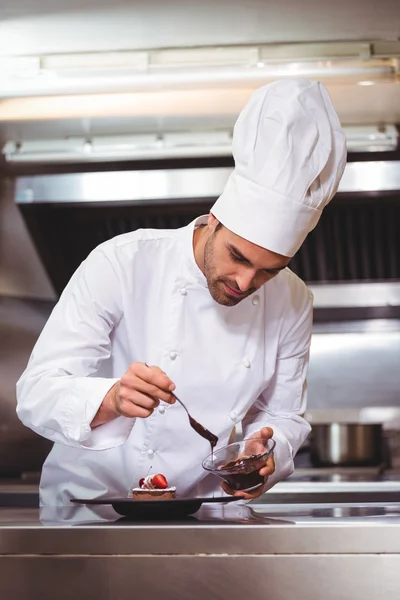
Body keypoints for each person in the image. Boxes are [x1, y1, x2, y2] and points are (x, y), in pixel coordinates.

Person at [16, 78, 347, 506]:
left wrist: (267, 452)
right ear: (213, 220)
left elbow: (283, 415)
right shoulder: (121, 262)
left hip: (202, 511)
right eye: (238, 257)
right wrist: (112, 399)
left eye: (269, 271)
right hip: (88, 509)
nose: (245, 284)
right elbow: (37, 393)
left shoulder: (293, 299)